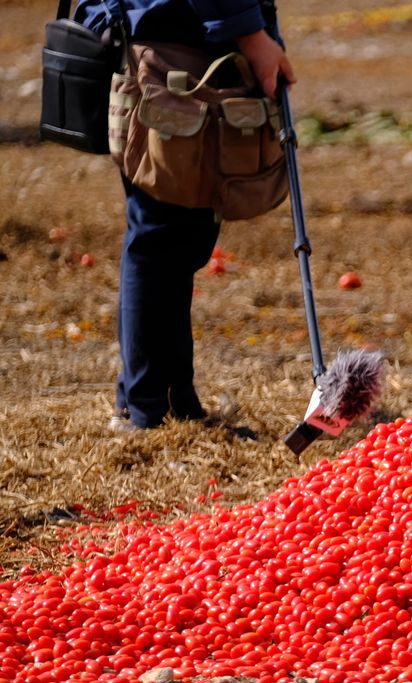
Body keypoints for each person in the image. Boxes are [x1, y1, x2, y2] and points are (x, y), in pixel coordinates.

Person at [79, 0, 294, 431]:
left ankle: (172, 398)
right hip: (169, 48)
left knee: (181, 238)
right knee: (159, 236)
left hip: (178, 41)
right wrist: (252, 36)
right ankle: (145, 408)